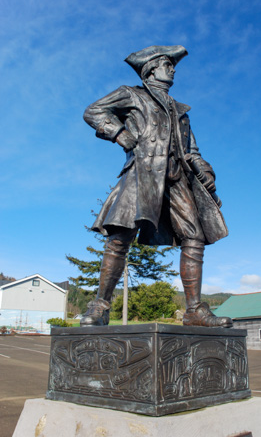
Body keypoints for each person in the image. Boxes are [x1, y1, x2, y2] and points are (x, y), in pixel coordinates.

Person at [81, 45, 232, 328]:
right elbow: (94, 111)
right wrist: (119, 133)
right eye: (167, 64)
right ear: (151, 69)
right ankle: (100, 306)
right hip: (142, 173)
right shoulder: (132, 94)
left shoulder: (180, 110)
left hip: (176, 178)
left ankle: (194, 311)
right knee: (120, 238)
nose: (172, 69)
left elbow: (192, 150)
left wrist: (203, 170)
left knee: (194, 237)